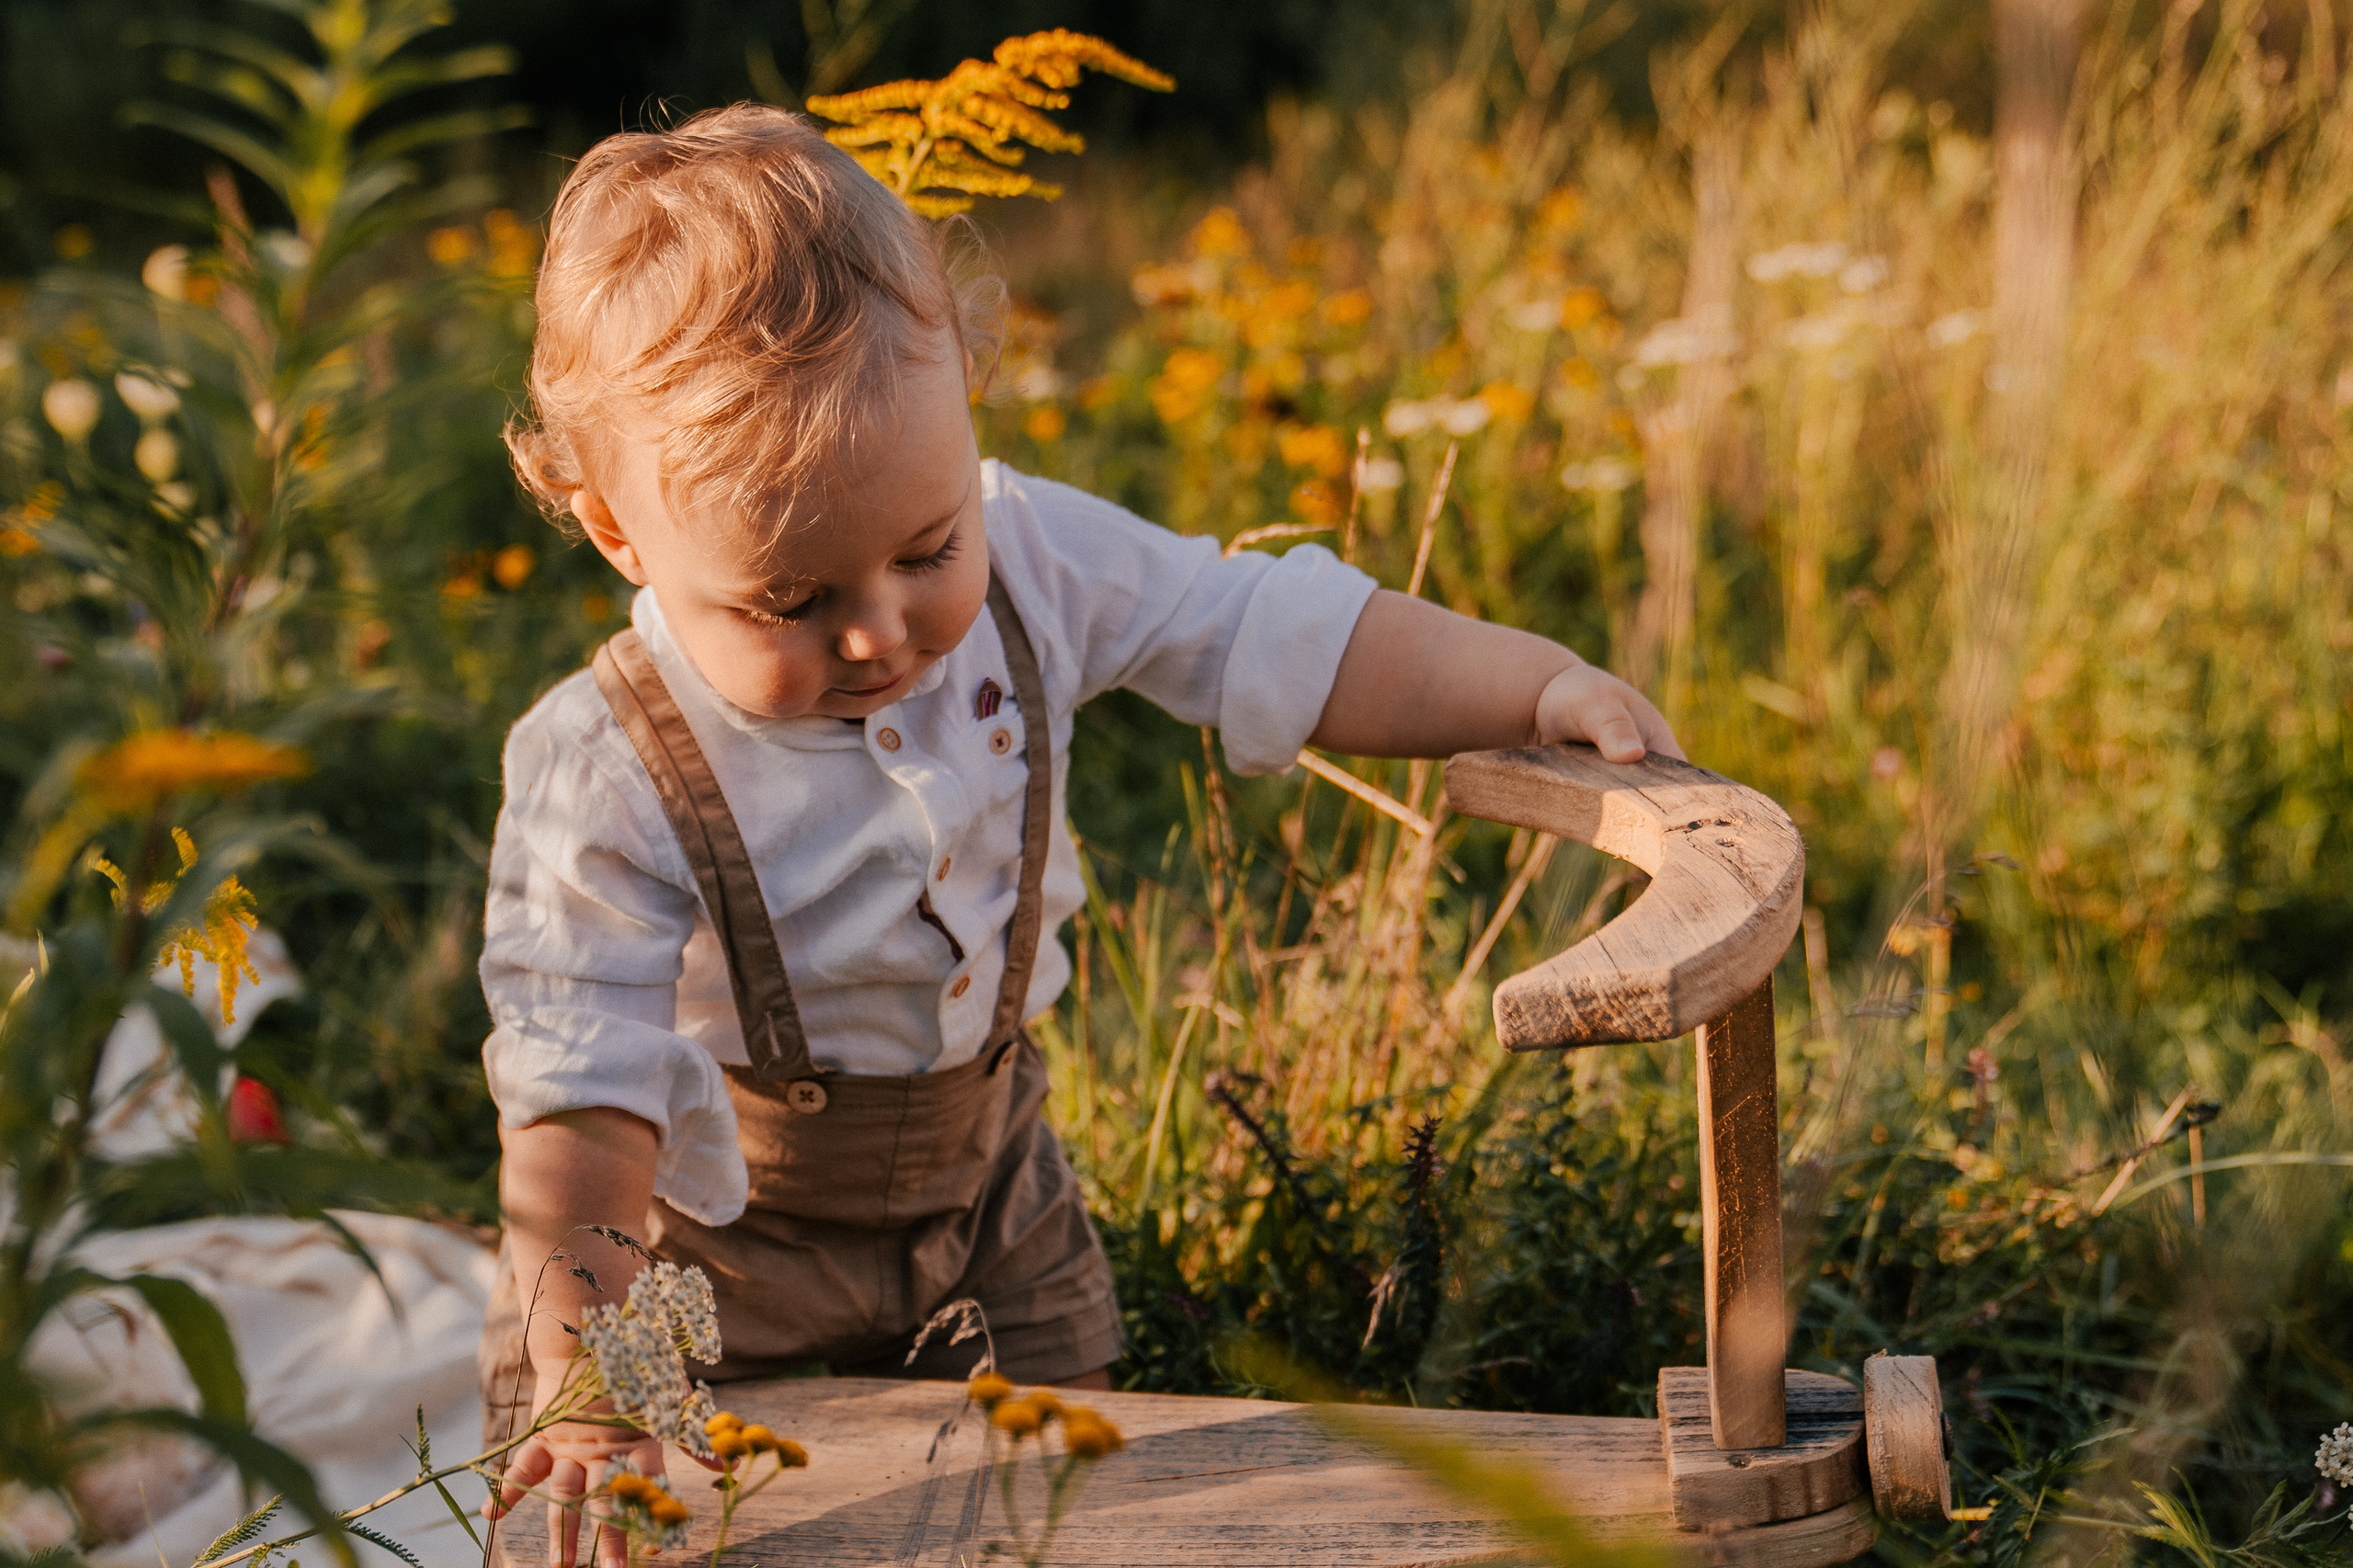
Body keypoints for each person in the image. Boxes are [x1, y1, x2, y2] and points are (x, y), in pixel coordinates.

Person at [475, 103, 1681, 1568]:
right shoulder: (596, 765)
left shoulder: (1037, 557)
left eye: (926, 550)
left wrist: (1529, 679)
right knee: (663, 1529)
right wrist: (597, 1379)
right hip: (701, 1250)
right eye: (789, 603)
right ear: (617, 533)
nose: (883, 630)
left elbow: (1267, 631)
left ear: (968, 398)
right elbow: (581, 1101)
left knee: (1085, 1507)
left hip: (990, 1184)